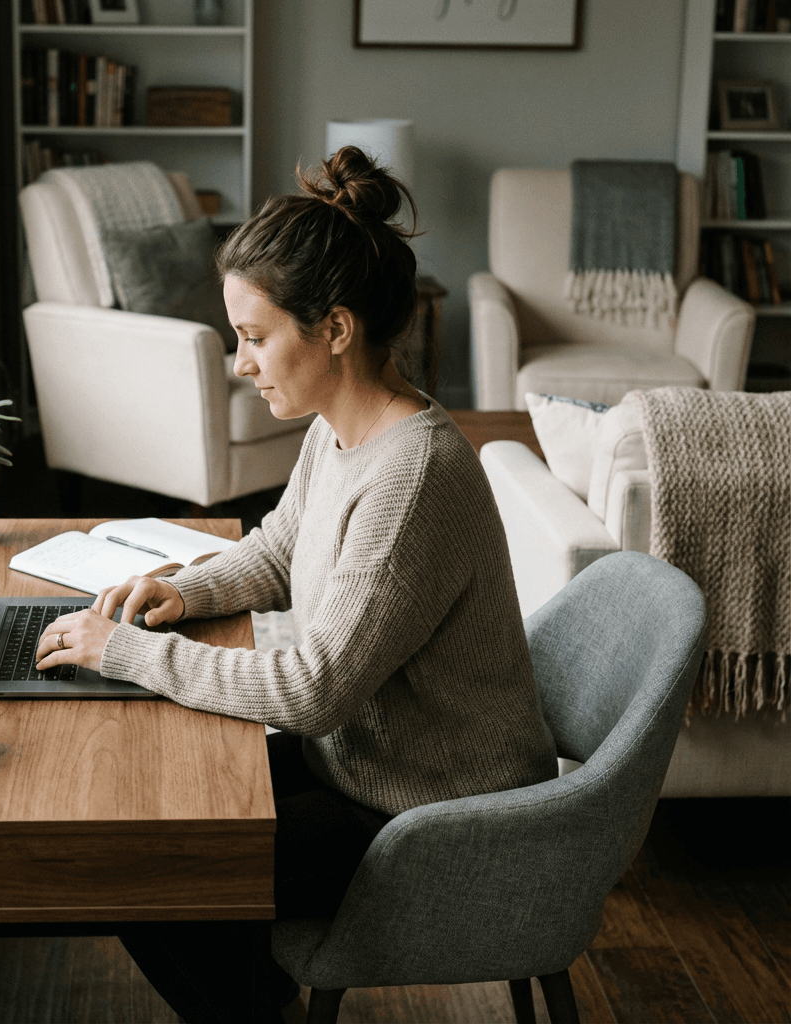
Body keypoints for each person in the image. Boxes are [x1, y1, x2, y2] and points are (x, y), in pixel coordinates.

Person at [35, 146, 558, 1023]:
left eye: (253, 335)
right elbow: (282, 547)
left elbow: (312, 687)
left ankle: (247, 1001)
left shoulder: (414, 475)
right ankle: (252, 990)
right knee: (146, 810)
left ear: (337, 330)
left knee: (131, 865)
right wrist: (186, 593)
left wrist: (128, 651)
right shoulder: (343, 427)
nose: (241, 362)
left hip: (431, 813)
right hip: (363, 765)